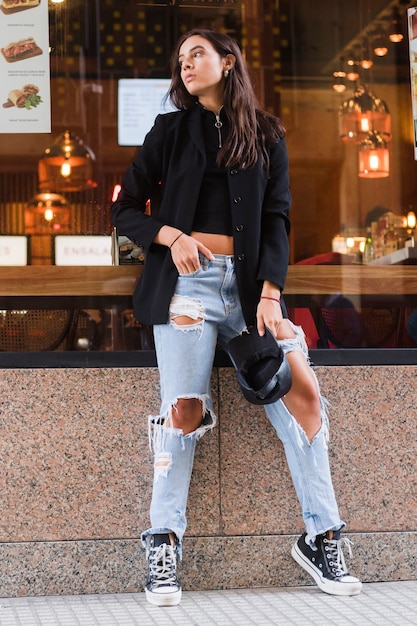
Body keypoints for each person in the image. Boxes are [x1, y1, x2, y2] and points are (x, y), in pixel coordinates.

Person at [111, 28, 362, 607]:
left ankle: (321, 535)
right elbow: (124, 209)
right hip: (188, 290)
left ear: (228, 62)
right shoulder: (170, 131)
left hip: (251, 295)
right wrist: (170, 235)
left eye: (196, 53)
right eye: (181, 59)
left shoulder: (266, 133)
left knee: (304, 395)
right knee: (184, 407)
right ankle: (164, 543)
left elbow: (277, 218)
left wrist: (272, 295)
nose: (186, 64)